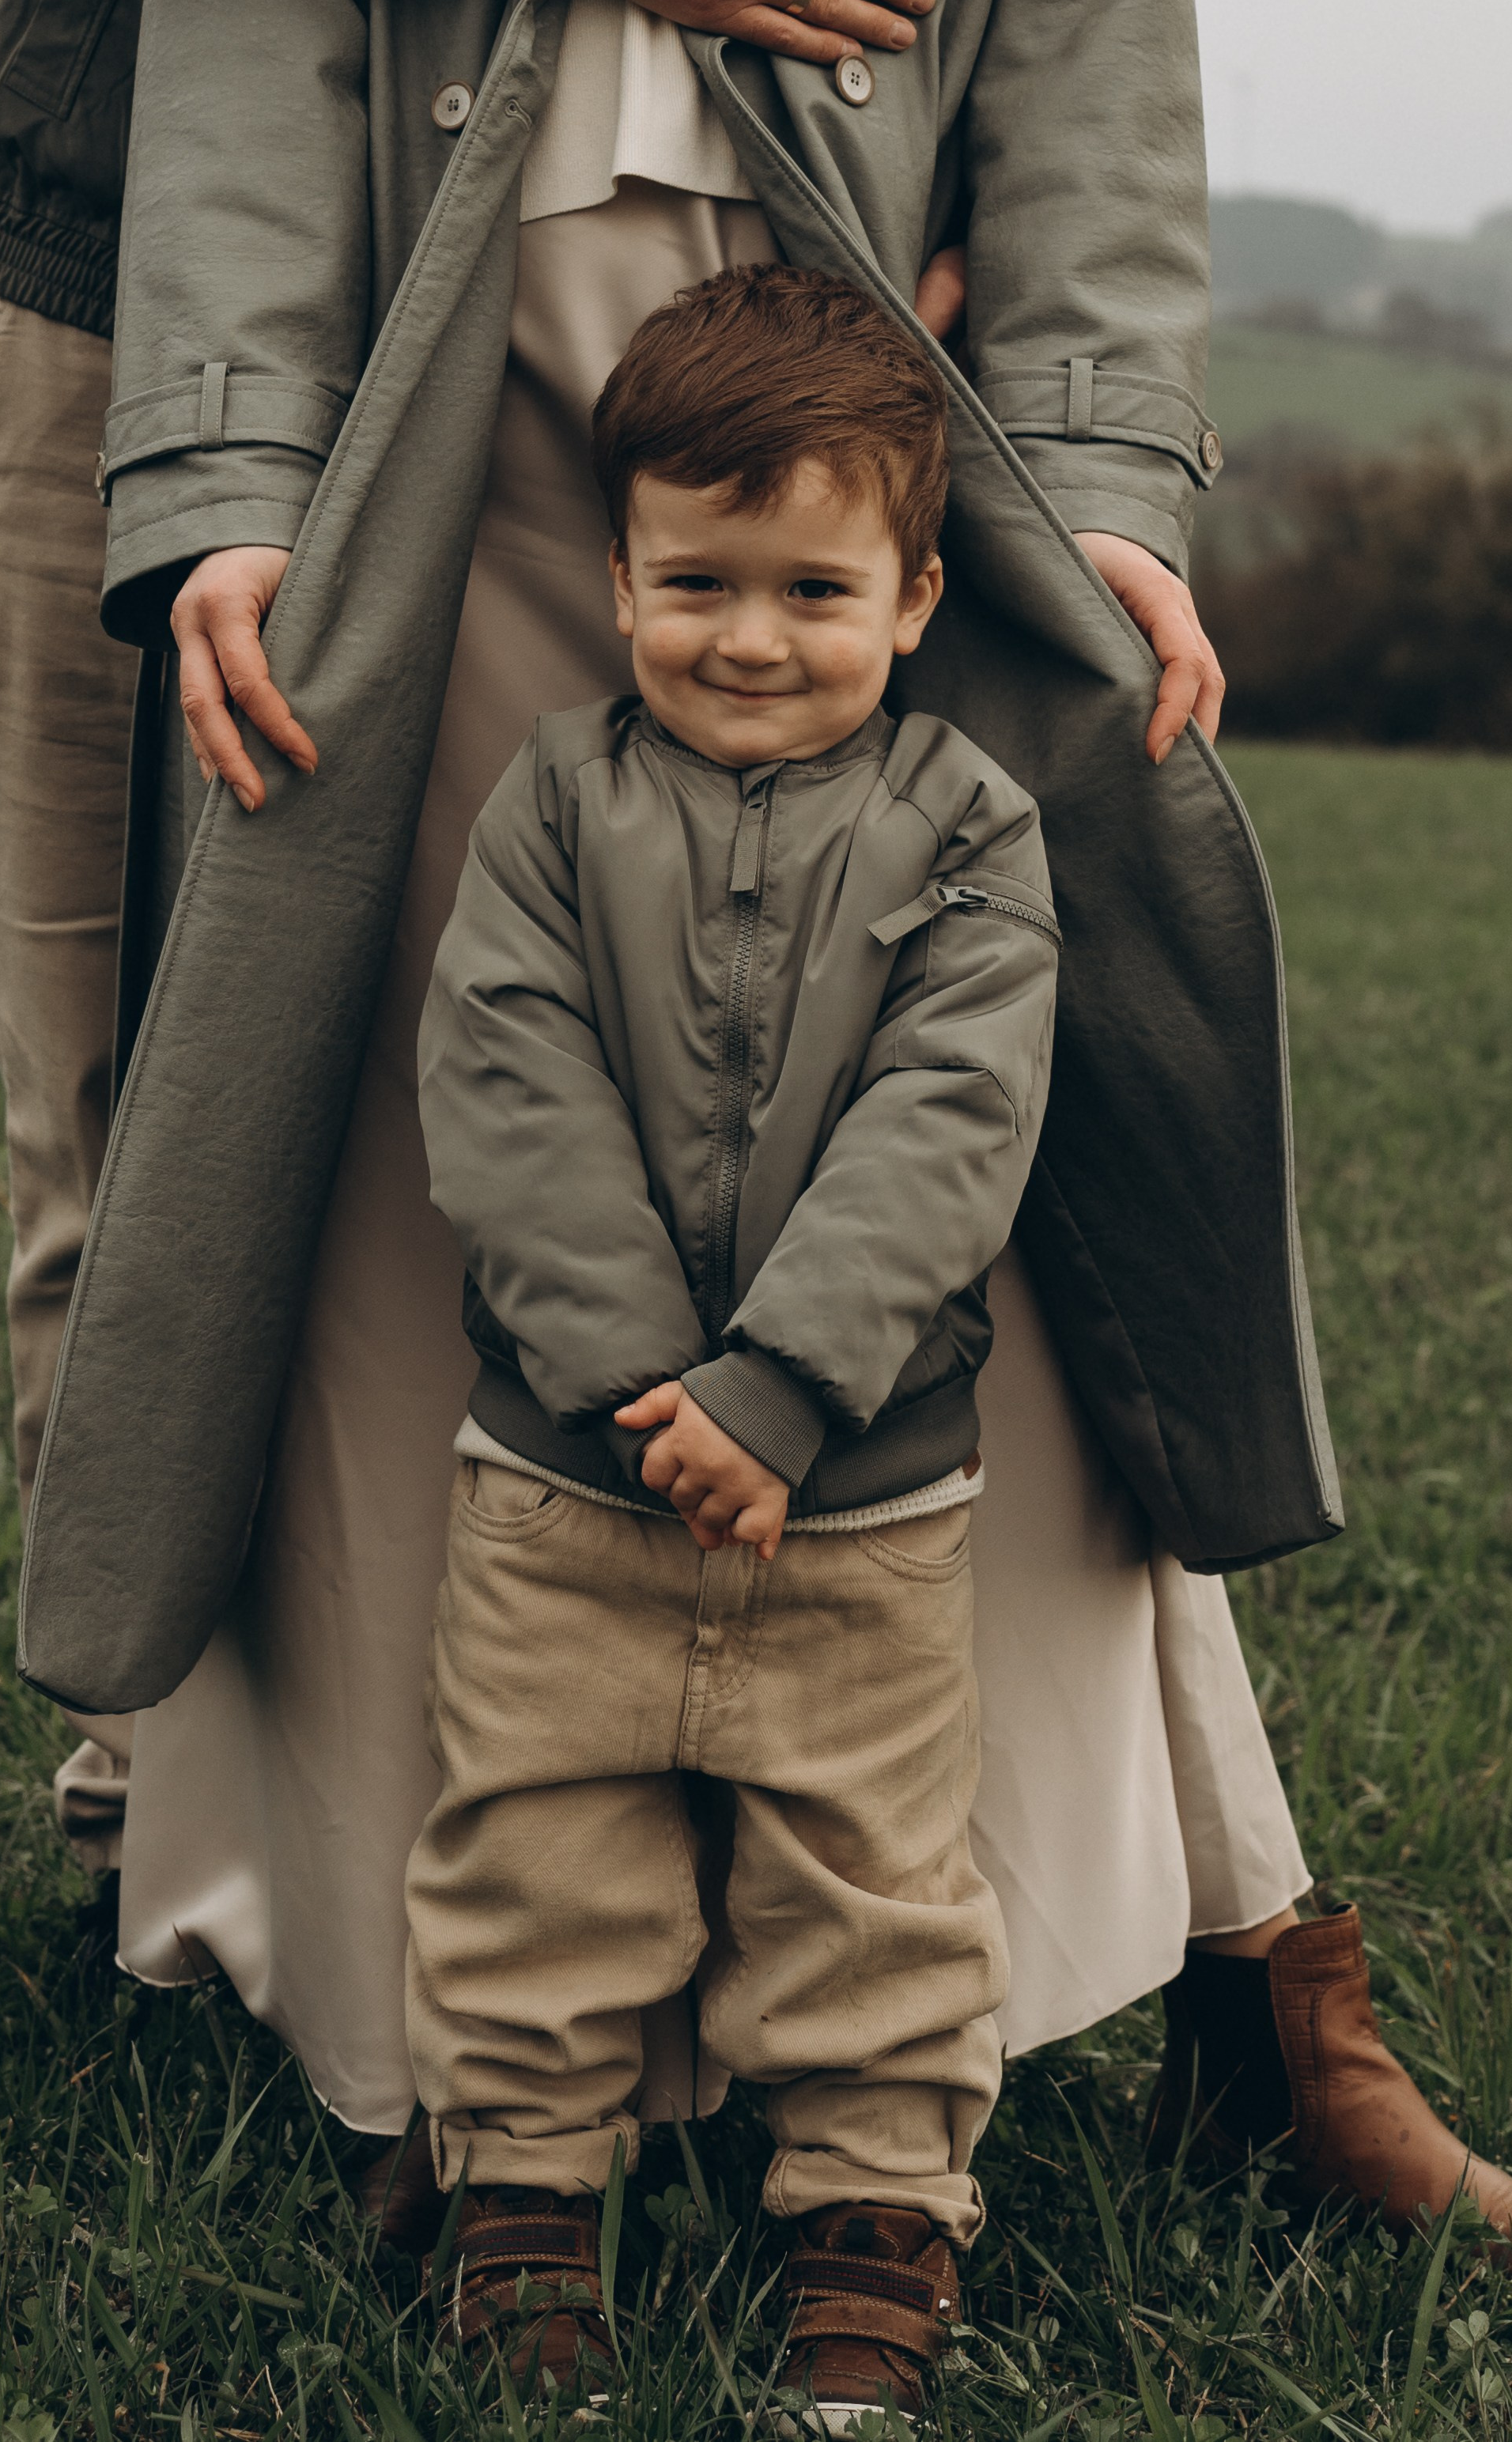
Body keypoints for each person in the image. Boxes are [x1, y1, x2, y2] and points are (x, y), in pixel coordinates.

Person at [0, 0, 1512, 2292]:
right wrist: (228, 482)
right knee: (445, 1211)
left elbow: (1091, 28)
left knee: (978, 1190)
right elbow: (246, 9)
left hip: (837, 442)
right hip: (430, 422)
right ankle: (491, 2053)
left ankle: (1136, 1984)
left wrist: (1089, 466)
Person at [412, 263, 1058, 2416]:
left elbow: (946, 1121)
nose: (750, 634)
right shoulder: (550, 805)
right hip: (565, 1492)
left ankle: (872, 2215)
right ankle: (518, 2197)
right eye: (697, 577)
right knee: (531, 1854)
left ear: (912, 591)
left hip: (857, 1511)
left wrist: (779, 1387)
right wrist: (637, 1379)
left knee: (870, 1887)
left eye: (811, 583)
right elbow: (506, 1080)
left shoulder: (966, 825)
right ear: (616, 576)